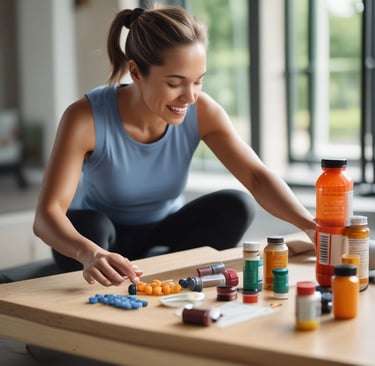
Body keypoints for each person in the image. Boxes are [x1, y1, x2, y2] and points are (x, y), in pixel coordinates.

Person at [33, 4, 316, 287]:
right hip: (99, 239)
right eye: (175, 83)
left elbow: (256, 177)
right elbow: (47, 216)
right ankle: (106, 263)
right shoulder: (85, 118)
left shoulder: (203, 111)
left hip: (165, 230)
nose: (189, 97)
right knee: (90, 225)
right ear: (136, 72)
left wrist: (310, 226)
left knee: (236, 205)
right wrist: (89, 252)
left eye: (198, 82)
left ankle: (175, 277)